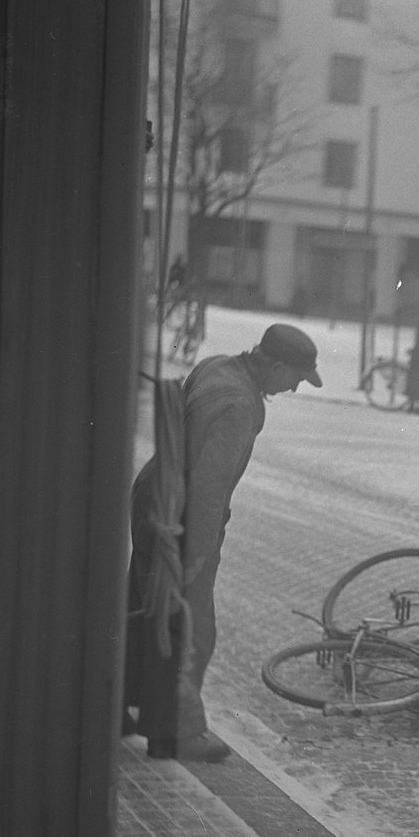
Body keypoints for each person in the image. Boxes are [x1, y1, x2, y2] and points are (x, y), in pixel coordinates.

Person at [123, 323, 323, 762]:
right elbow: (209, 488)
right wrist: (195, 553)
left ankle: (119, 708)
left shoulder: (219, 366)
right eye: (294, 377)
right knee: (191, 627)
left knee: (143, 608)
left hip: (152, 495)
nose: (294, 389)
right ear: (272, 365)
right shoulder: (237, 404)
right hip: (180, 516)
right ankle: (177, 732)